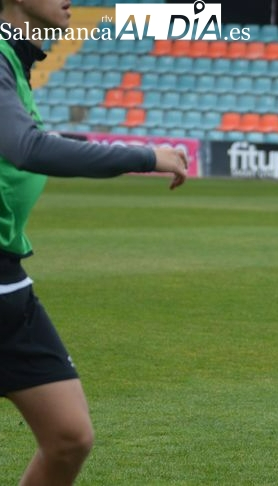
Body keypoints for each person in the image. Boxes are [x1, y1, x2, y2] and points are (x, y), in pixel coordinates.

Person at [0, 1, 189, 484]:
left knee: (69, 437)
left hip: (10, 284)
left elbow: (32, 136)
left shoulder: (15, 59)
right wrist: (146, 156)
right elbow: (28, 148)